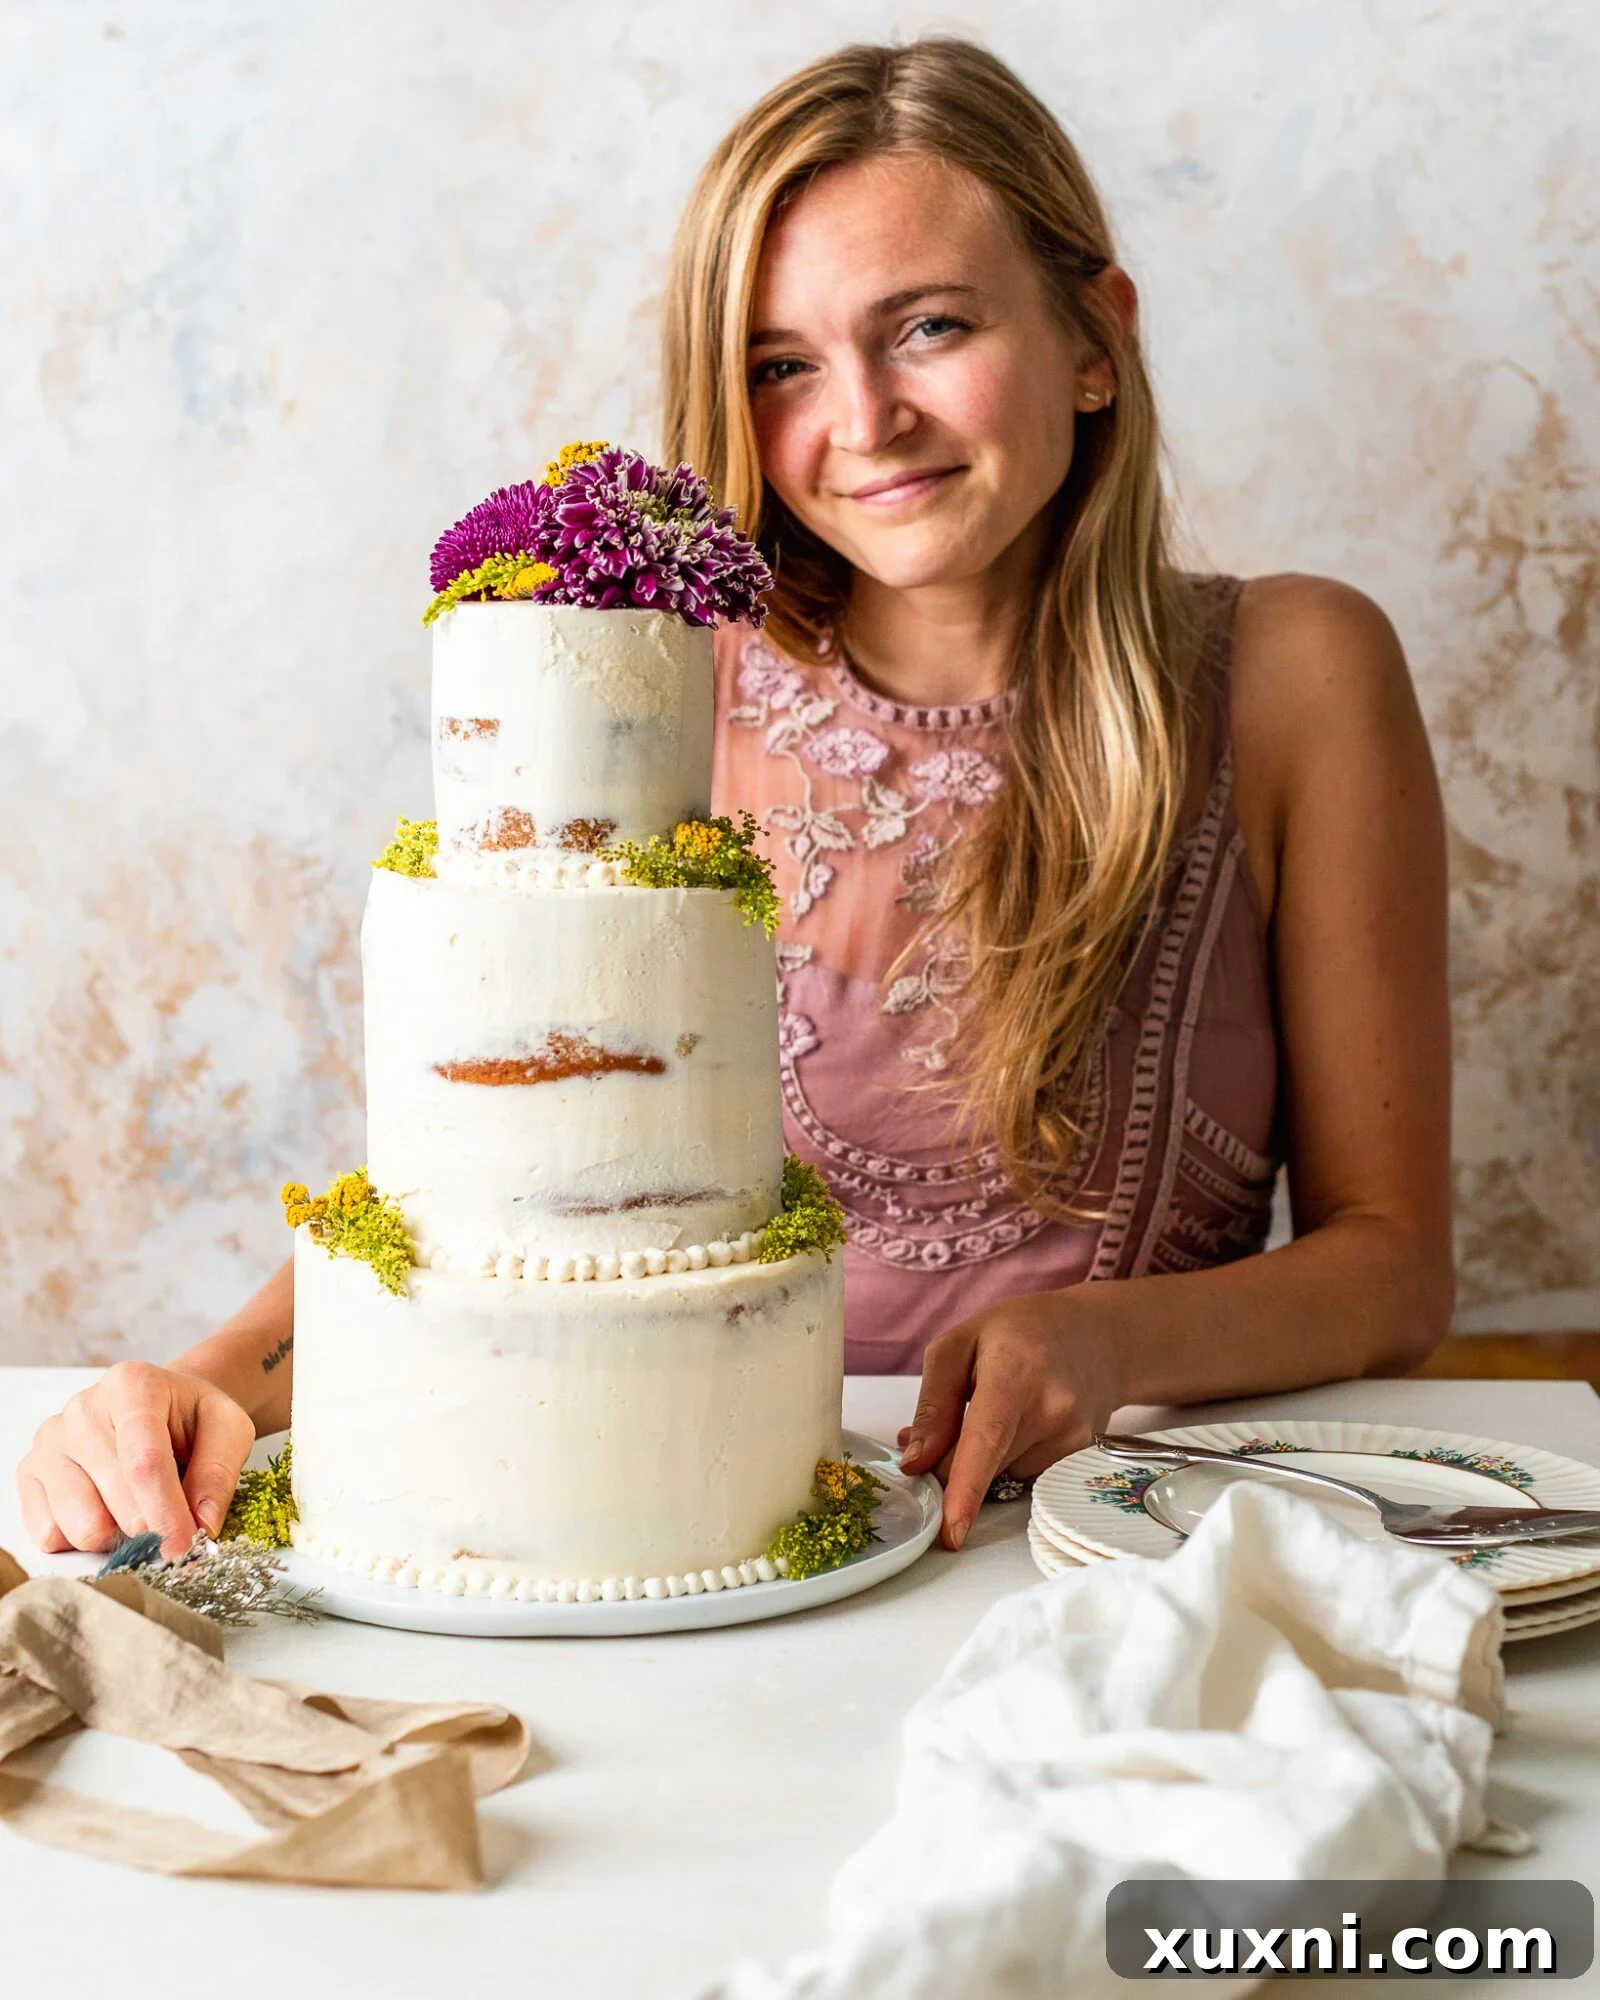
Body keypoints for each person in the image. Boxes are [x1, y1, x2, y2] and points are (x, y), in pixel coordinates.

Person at [17, 38, 1451, 1562]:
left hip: (1123, 1541)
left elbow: (1395, 1270)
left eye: (931, 327)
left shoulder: (1297, 673)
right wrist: (200, 1384)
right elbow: (492, 1184)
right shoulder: (650, 687)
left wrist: (1110, 1345)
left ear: (1097, 338)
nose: (865, 418)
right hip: (690, 1545)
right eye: (783, 366)